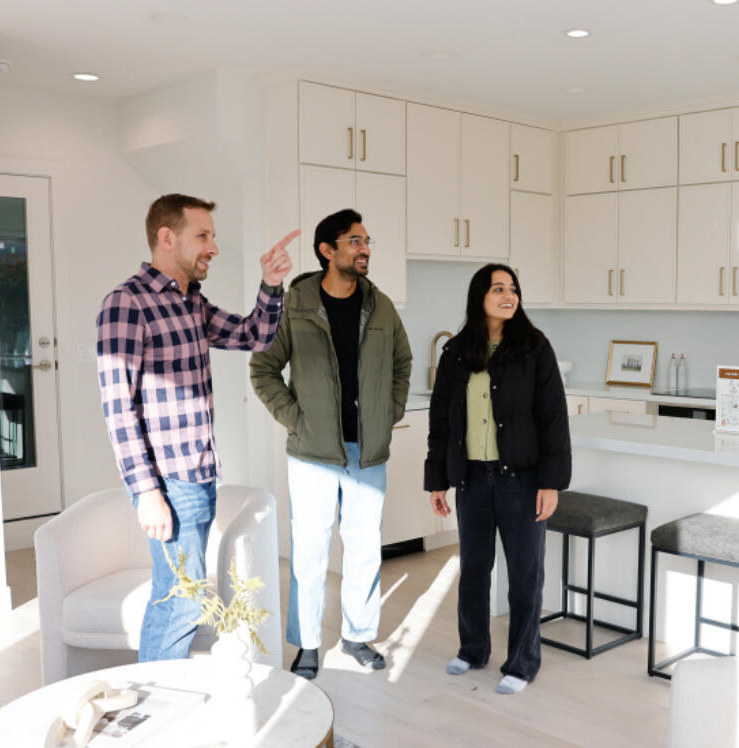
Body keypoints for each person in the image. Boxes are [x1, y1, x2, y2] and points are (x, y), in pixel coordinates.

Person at [96, 193, 299, 662]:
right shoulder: (126, 304)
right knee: (181, 601)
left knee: (182, 595)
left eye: (213, 236)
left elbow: (255, 335)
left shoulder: (190, 301)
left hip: (200, 474)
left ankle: (161, 700)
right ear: (167, 238)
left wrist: (271, 285)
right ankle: (154, 706)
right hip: (168, 481)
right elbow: (118, 408)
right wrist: (146, 491)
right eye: (202, 236)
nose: (213, 247)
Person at [250, 208, 412, 680]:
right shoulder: (294, 302)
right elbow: (263, 369)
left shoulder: (379, 306)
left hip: (368, 450)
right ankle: (306, 645)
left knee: (364, 548)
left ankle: (358, 636)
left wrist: (391, 411)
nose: (364, 249)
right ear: (327, 250)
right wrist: (294, 417)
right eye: (355, 241)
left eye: (367, 241)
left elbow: (402, 362)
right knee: (311, 550)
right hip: (312, 452)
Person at [424, 263, 571, 694]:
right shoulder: (456, 352)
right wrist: (438, 480)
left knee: (525, 576)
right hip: (471, 480)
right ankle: (472, 649)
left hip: (522, 481)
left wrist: (551, 483)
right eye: (498, 288)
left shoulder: (534, 348)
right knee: (472, 570)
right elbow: (441, 421)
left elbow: (554, 418)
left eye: (513, 289)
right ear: (479, 296)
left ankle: (522, 663)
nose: (509, 296)